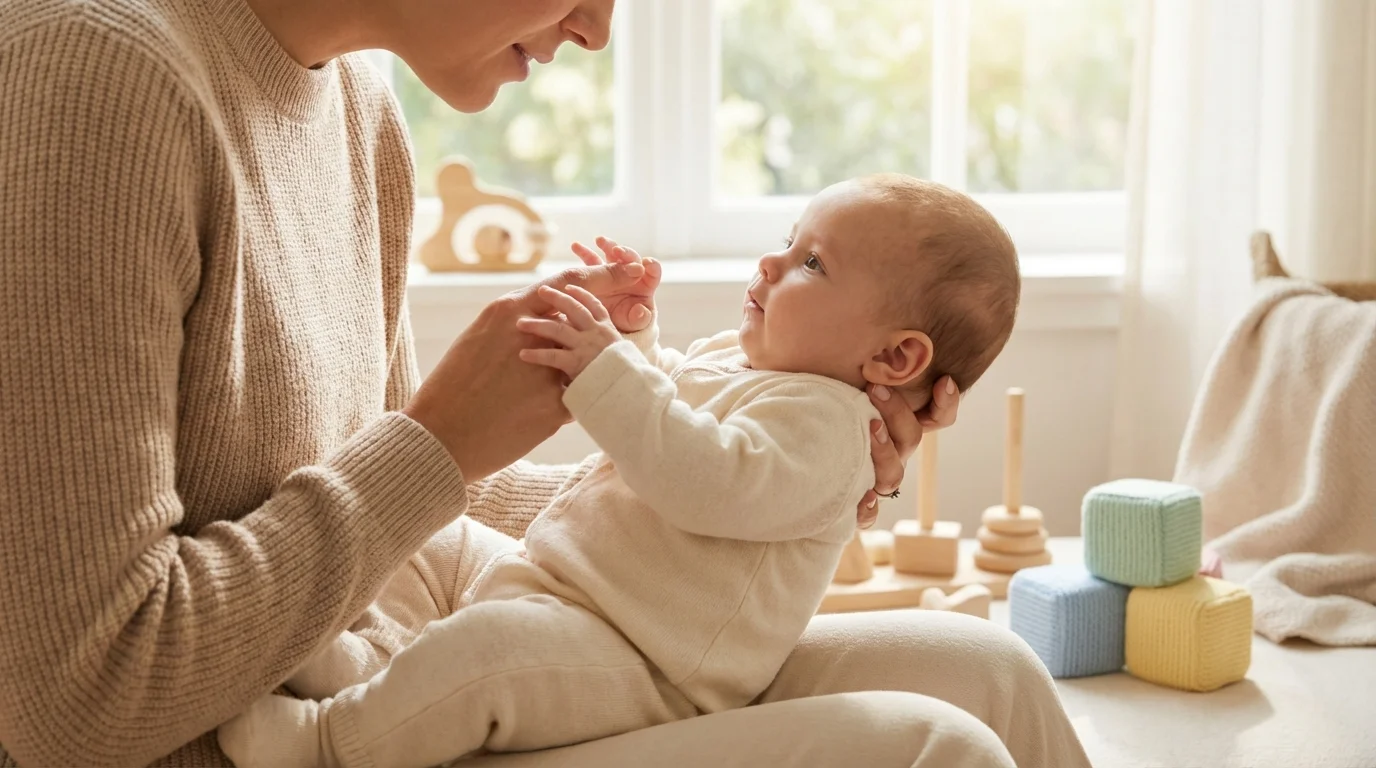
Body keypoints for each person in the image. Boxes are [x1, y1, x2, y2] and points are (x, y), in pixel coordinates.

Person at [0, 0, 1091, 765]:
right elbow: (67, 708)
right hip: (248, 737)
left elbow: (401, 500)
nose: (600, 28)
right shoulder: (94, 75)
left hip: (396, 647)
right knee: (936, 749)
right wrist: (441, 439)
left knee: (985, 669)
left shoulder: (359, 111)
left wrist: (791, 494)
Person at [216, 174, 1030, 768]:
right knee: (435, 537)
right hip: (571, 584)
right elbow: (666, 399)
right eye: (788, 240)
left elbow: (704, 478)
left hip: (646, 661)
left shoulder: (832, 431)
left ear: (896, 357)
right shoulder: (749, 361)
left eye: (812, 264)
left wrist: (607, 367)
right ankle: (378, 666)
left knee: (488, 651)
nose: (769, 263)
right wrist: (633, 337)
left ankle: (334, 744)